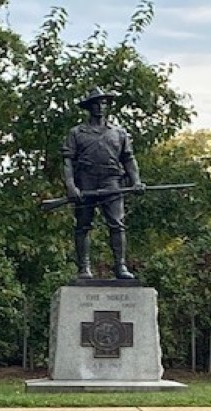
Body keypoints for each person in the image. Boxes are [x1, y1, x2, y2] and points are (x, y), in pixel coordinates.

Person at [62, 86, 146, 280]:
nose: (100, 107)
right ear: (89, 107)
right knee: (83, 225)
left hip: (112, 181)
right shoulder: (77, 133)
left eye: (103, 103)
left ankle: (120, 266)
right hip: (86, 181)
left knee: (117, 224)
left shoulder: (119, 133)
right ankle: (84, 267)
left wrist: (136, 181)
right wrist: (71, 186)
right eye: (96, 103)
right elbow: (68, 161)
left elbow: (128, 158)